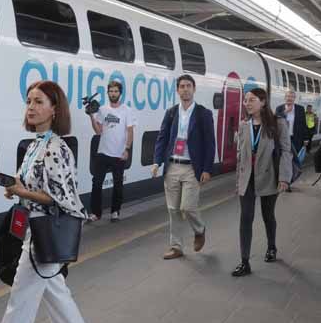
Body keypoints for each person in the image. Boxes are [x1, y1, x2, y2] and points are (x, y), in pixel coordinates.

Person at [0, 80, 101, 323]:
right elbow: (35, 189)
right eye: (29, 101)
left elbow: (61, 198)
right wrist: (18, 192)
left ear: (54, 109)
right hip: (35, 233)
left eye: (39, 102)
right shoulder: (35, 144)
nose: (31, 107)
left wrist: (24, 191)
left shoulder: (55, 147)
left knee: (19, 302)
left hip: (45, 235)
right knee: (58, 297)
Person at [151, 74, 216, 260]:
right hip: (172, 165)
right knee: (173, 209)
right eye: (182, 86)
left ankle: (199, 229)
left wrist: (207, 169)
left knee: (187, 207)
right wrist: (157, 162)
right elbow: (162, 138)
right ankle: (176, 247)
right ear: (177, 90)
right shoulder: (171, 113)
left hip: (191, 168)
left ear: (194, 89)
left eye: (188, 86)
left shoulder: (204, 114)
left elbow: (210, 144)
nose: (185, 89)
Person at [232, 88, 291, 277]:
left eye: (251, 100)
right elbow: (240, 155)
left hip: (269, 176)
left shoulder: (278, 123)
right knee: (245, 218)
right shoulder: (243, 125)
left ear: (263, 102)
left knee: (268, 215)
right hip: (247, 177)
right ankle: (245, 262)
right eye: (245, 100)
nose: (247, 103)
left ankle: (272, 247)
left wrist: (284, 177)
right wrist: (238, 181)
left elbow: (286, 151)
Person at [88, 80, 136, 223]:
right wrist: (91, 116)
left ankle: (115, 211)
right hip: (103, 152)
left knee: (118, 184)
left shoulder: (126, 110)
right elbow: (98, 131)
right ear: (108, 93)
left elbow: (130, 131)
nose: (113, 93)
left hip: (119, 153)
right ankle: (96, 213)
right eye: (111, 91)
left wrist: (127, 149)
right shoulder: (102, 109)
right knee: (96, 183)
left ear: (119, 93)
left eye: (116, 91)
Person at [275, 90, 307, 190]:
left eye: (292, 97)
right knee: (285, 160)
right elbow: (275, 121)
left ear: (294, 98)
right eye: (288, 96)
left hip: (295, 138)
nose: (289, 98)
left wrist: (305, 138)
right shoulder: (279, 108)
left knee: (293, 161)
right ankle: (286, 182)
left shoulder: (300, 109)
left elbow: (303, 125)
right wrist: (285, 112)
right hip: (283, 139)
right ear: (285, 98)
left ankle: (289, 180)